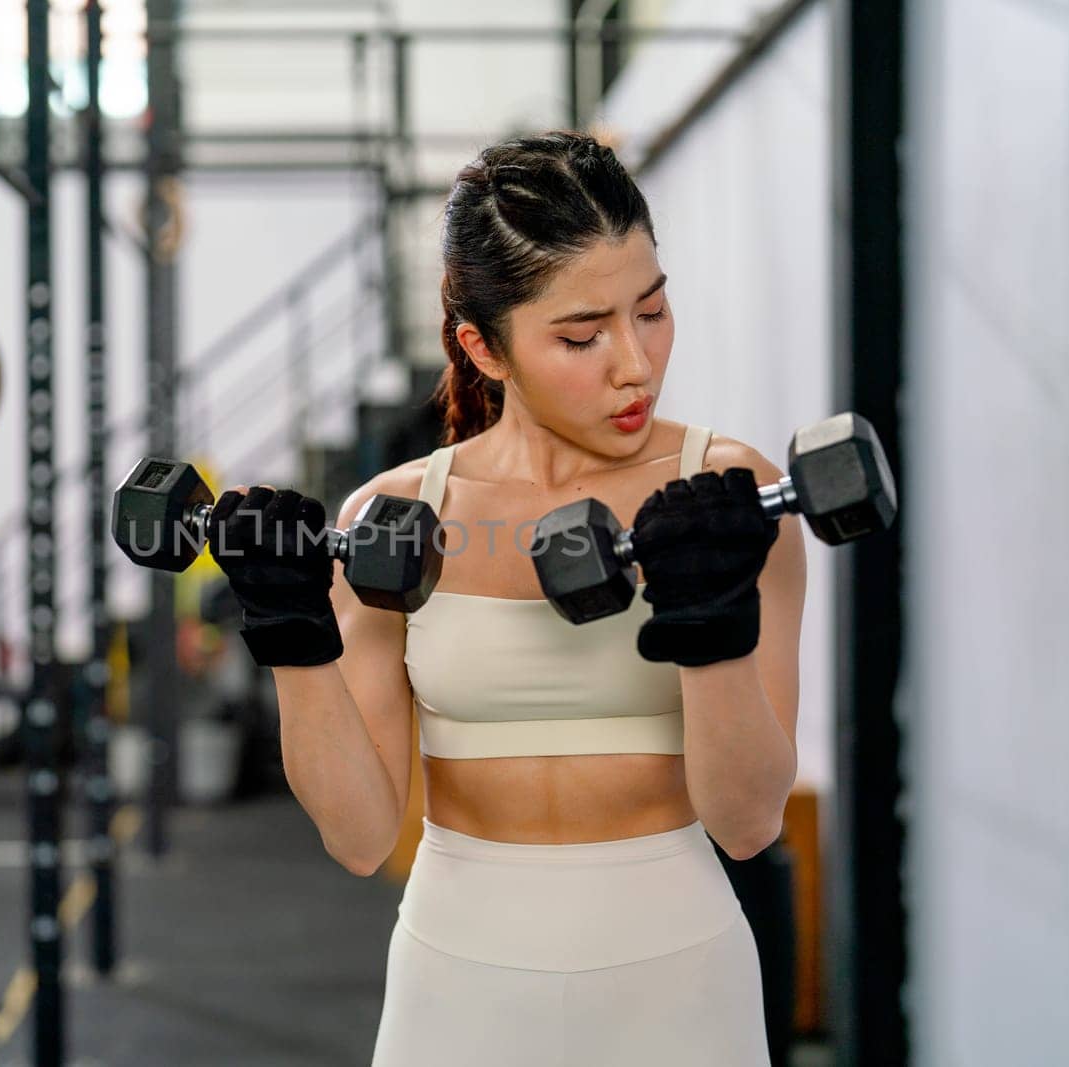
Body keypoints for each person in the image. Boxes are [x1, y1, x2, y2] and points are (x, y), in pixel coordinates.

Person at [203, 130, 805, 1066]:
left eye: (651, 311)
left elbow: (748, 818)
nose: (635, 363)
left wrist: (713, 628)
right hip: (459, 972)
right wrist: (294, 639)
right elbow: (362, 836)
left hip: (678, 972)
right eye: (581, 335)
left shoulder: (729, 495)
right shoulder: (393, 516)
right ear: (483, 346)